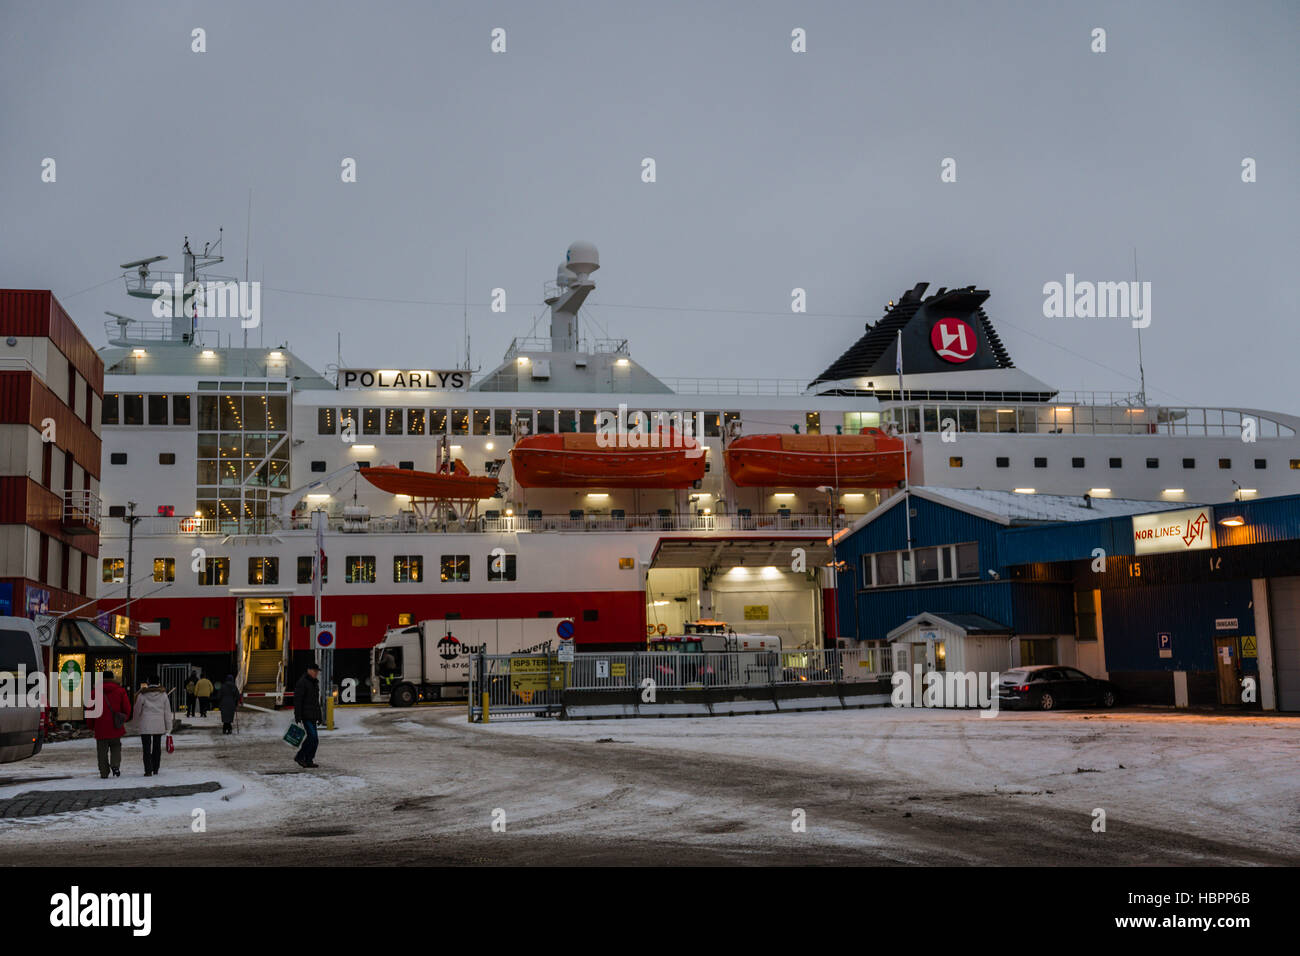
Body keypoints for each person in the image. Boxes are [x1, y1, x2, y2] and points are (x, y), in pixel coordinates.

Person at [89, 670, 131, 779]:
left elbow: (90, 710)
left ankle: (104, 772)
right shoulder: (120, 691)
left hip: (100, 726)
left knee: (102, 751)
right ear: (113, 678)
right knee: (116, 746)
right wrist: (124, 719)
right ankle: (115, 765)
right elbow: (127, 708)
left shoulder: (94, 692)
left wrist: (91, 725)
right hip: (115, 726)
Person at [132, 678, 174, 776]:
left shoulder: (142, 695)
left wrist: (135, 723)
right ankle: (155, 768)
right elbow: (167, 712)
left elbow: (137, 710)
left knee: (146, 748)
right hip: (158, 724)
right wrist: (169, 727)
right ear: (158, 683)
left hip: (145, 724)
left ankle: (148, 770)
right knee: (157, 747)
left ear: (148, 683)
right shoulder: (163, 695)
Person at [292, 661, 323, 769]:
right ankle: (300, 757)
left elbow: (316, 702)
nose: (316, 673)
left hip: (313, 715)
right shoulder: (302, 683)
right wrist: (298, 716)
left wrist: (319, 717)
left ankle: (309, 759)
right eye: (315, 671)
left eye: (317, 672)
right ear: (309, 671)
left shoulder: (314, 683)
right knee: (312, 737)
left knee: (315, 739)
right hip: (306, 715)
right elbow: (298, 700)